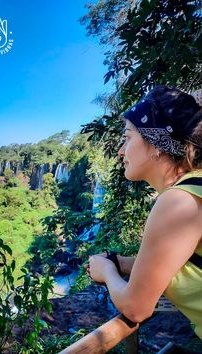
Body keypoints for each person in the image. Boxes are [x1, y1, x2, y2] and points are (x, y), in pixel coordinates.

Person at [86, 85, 202, 340]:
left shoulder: (178, 202)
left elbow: (136, 307)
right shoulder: (195, 187)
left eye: (127, 137)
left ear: (156, 144)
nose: (120, 150)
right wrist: (124, 264)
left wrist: (107, 272)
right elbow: (182, 264)